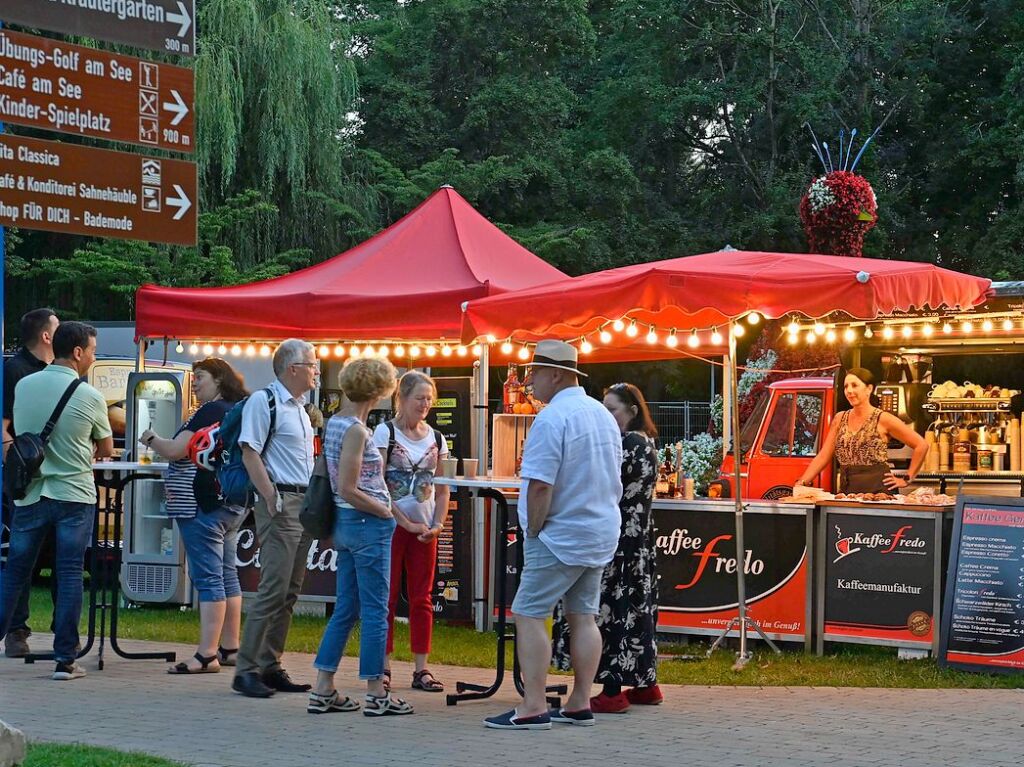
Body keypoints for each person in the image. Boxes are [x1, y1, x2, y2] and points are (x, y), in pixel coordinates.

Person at [484, 340, 623, 730]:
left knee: (529, 613)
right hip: (598, 530)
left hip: (559, 533)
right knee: (584, 616)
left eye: (535, 373)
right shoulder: (601, 414)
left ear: (557, 374)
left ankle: (532, 705)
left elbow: (540, 485)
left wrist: (534, 527)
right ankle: (579, 701)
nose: (529, 381)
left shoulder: (552, 418)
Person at [0, 322, 112, 680]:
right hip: (74, 495)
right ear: (78, 352)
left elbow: (20, 431)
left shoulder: (24, 384)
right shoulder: (89, 394)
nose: (94, 357)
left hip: (30, 493)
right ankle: (65, 660)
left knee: (15, 573)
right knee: (68, 574)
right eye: (92, 351)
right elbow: (107, 448)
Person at [309, 357, 415, 717]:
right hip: (367, 523)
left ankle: (323, 686)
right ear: (379, 391)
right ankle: (375, 690)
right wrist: (384, 510)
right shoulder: (356, 430)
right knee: (375, 612)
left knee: (346, 607)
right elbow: (349, 486)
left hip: (347, 524)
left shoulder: (338, 423)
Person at [551, 382, 662, 712]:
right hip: (639, 539)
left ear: (632, 410)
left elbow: (600, 481)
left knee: (612, 611)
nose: (607, 415)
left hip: (620, 541)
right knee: (637, 611)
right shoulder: (648, 442)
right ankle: (646, 685)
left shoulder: (627, 443)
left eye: (612, 409)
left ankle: (612, 689)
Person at [140, 358, 248, 674]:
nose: (195, 383)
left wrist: (149, 438)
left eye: (200, 377)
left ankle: (206, 654)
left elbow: (175, 450)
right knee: (228, 574)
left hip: (199, 502)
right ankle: (230, 647)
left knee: (208, 577)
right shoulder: (236, 409)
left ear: (219, 379)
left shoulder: (208, 411)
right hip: (231, 502)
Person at [231, 339, 318, 698]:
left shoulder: (298, 406)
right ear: (292, 368)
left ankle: (270, 664)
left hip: (303, 500)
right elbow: (249, 451)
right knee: (273, 588)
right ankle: (246, 669)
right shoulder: (264, 401)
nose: (316, 370)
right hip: (281, 500)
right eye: (311, 364)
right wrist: (270, 496)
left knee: (290, 591)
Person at [373, 371, 451, 693]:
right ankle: (383, 664)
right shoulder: (385, 432)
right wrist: (403, 521)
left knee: (423, 597)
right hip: (392, 525)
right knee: (387, 598)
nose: (426, 404)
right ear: (401, 398)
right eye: (420, 398)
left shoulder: (437, 438)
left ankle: (421, 667)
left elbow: (444, 486)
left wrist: (438, 524)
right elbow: (377, 484)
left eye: (429, 399)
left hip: (424, 526)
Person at [2, 308, 60, 658]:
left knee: (61, 557)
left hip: (58, 478)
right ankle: (16, 630)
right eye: (58, 325)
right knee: (23, 555)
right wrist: (18, 465)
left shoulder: (59, 371)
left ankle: (64, 635)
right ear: (46, 336)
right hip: (27, 480)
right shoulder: (14, 370)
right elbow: (3, 425)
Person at [795, 367, 927, 494]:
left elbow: (921, 445)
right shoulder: (840, 418)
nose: (849, 390)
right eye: (846, 386)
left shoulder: (883, 418)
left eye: (854, 385)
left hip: (879, 491)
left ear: (869, 389)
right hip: (848, 489)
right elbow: (824, 455)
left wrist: (907, 479)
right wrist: (802, 482)